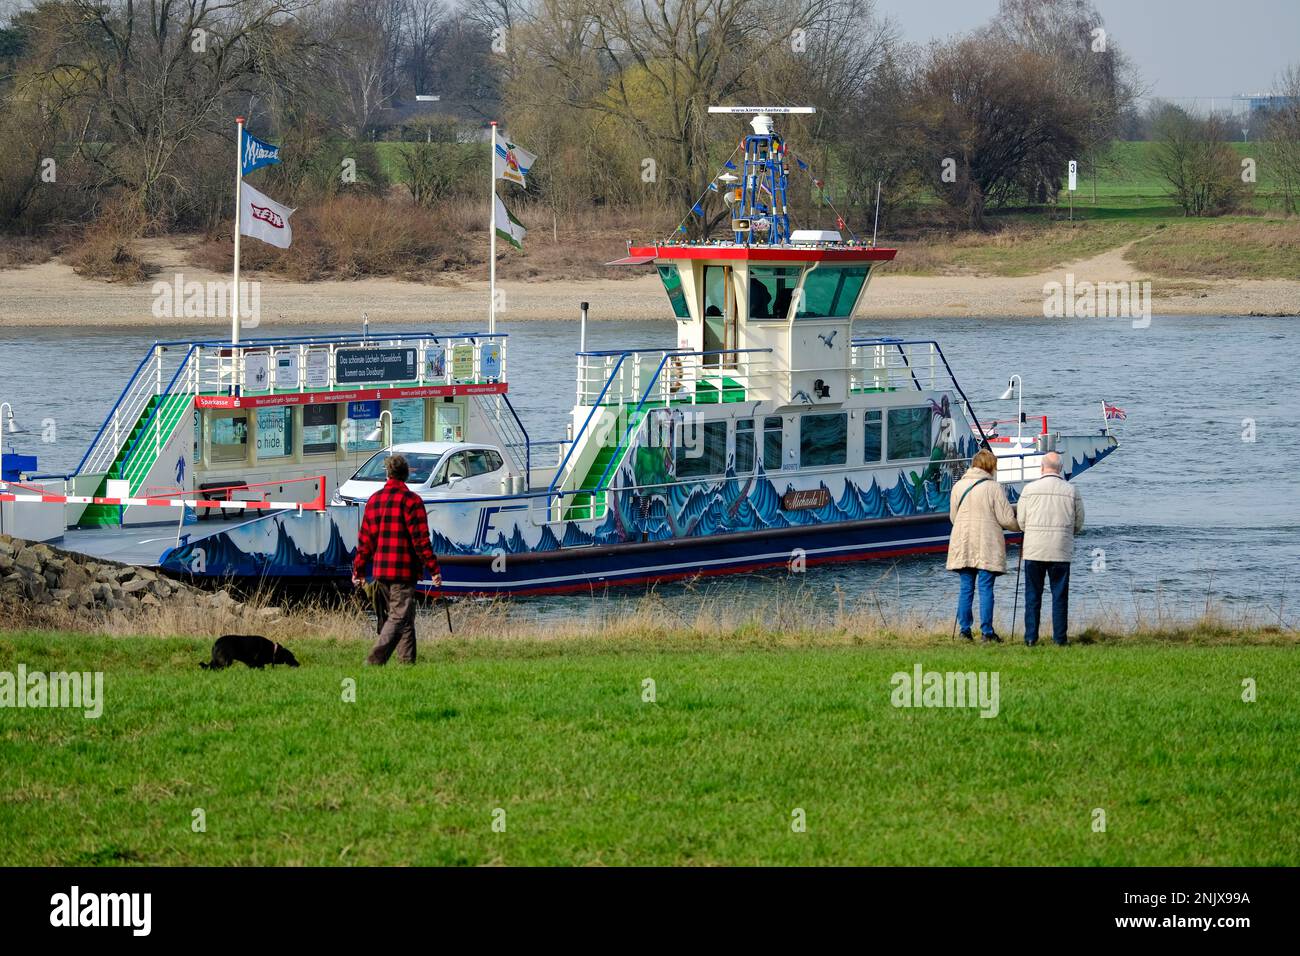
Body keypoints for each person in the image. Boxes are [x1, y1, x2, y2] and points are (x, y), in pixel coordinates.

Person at [351, 454, 442, 665]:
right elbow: (421, 541)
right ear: (407, 474)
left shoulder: (374, 501)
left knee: (405, 618)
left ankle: (407, 664)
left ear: (387, 473)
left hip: (381, 570)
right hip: (404, 571)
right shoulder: (412, 501)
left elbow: (365, 541)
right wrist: (434, 568)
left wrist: (359, 570)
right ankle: (373, 661)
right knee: (399, 617)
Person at [947, 448, 1020, 642]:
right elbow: (1006, 519)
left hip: (963, 542)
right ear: (990, 467)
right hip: (987, 543)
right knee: (986, 587)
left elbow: (953, 517)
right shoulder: (994, 488)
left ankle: (964, 630)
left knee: (966, 587)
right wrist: (1021, 526)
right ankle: (987, 632)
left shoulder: (958, 486)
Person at [1016, 451, 1084, 646]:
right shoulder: (1071, 491)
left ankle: (1030, 638)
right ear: (1061, 469)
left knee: (1032, 595)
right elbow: (1079, 522)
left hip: (1034, 549)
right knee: (1059, 596)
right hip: (1060, 550)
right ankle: (1060, 639)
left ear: (1042, 467)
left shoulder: (1029, 490)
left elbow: (1021, 522)